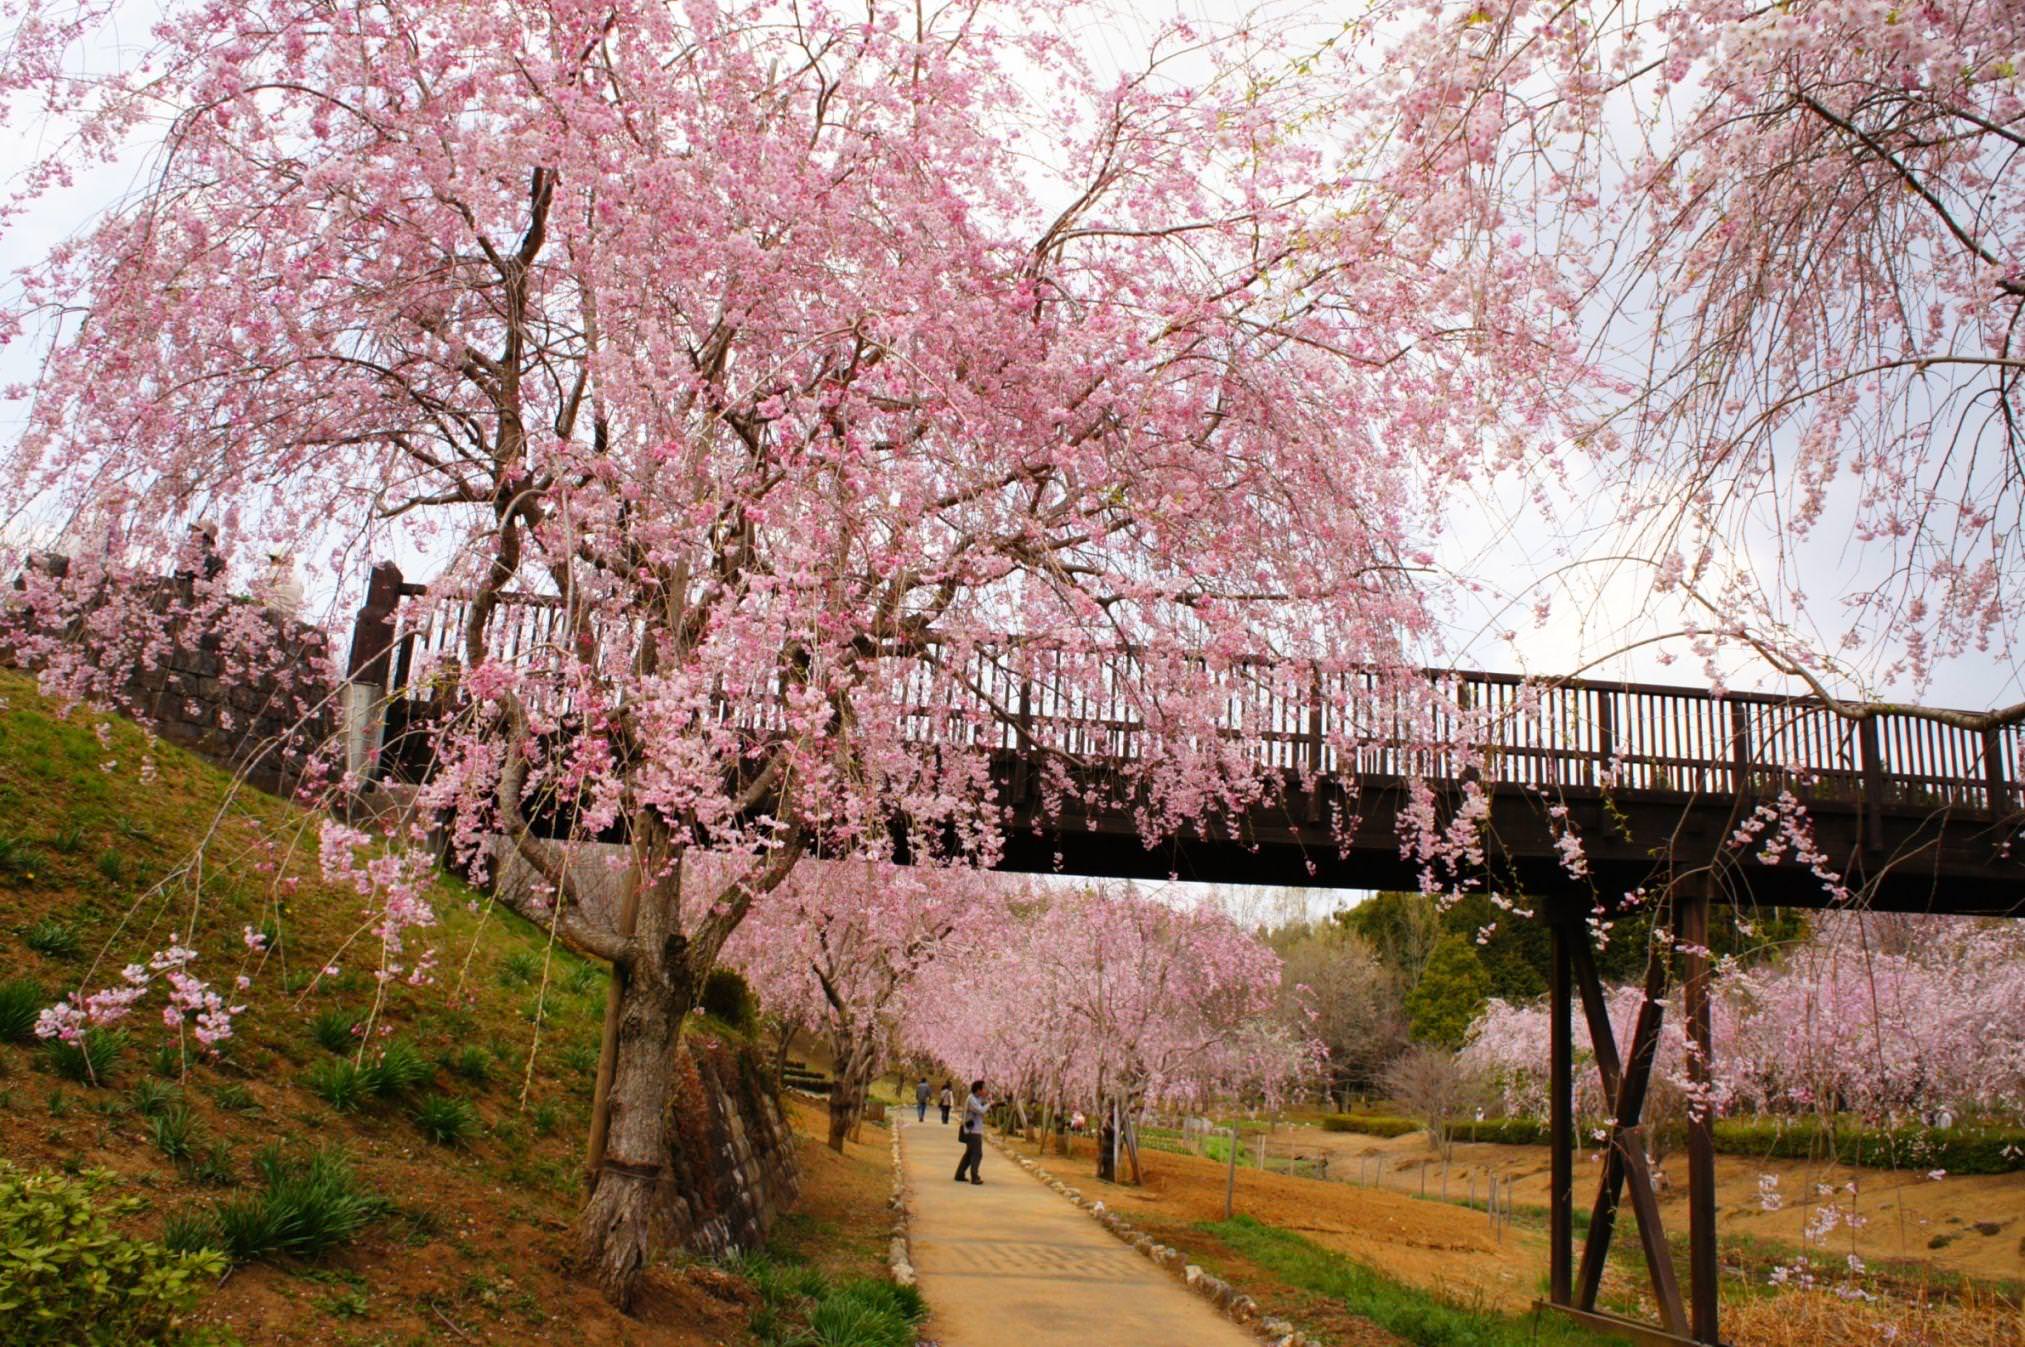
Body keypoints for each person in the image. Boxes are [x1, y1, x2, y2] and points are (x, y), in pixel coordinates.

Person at [954, 1078, 987, 1184]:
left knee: (969, 1154)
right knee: (977, 1154)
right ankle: (975, 1177)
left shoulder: (976, 1099)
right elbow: (981, 1111)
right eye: (984, 1089)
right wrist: (989, 1104)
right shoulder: (972, 1099)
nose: (985, 1091)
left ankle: (959, 1174)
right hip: (973, 1132)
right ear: (978, 1090)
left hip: (974, 1130)